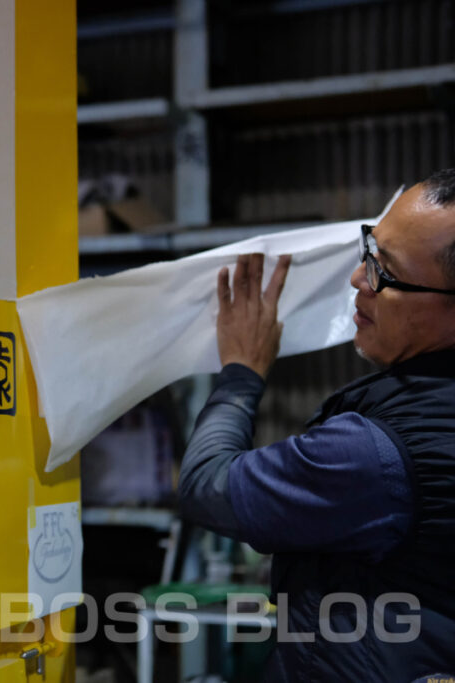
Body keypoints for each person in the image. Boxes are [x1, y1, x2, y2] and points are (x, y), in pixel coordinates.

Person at [178, 168, 455, 679]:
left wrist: (240, 372)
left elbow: (205, 487)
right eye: (367, 250)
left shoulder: (374, 457)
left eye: (383, 270)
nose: (357, 280)